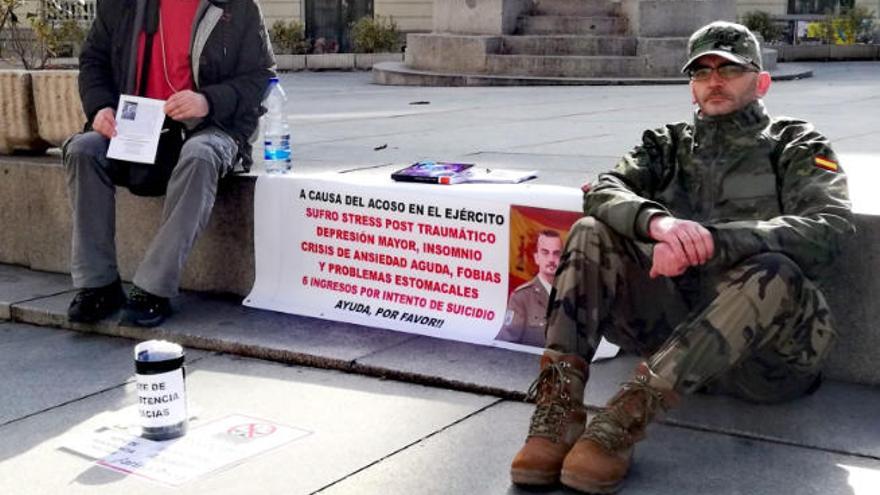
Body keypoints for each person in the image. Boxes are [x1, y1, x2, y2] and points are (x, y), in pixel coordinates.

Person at [509, 21, 853, 494]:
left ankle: (624, 419)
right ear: (691, 86)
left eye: (730, 69)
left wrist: (712, 241)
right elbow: (603, 190)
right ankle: (557, 413)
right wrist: (660, 226)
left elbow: (828, 228)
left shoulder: (794, 143)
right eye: (702, 71)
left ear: (761, 80)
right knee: (591, 231)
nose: (715, 80)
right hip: (673, 335)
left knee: (775, 270)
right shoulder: (665, 144)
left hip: (767, 361)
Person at [64, 0, 275, 327]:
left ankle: (152, 289)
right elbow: (93, 60)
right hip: (135, 127)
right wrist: (100, 108)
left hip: (211, 127)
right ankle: (98, 285)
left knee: (201, 156)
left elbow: (261, 77)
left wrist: (208, 101)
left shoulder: (236, 5)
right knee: (83, 149)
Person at [495, 230, 563, 346]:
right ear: (537, 258)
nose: (551, 259)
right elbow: (506, 346)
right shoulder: (521, 298)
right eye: (545, 253)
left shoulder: (571, 295)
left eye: (556, 253)